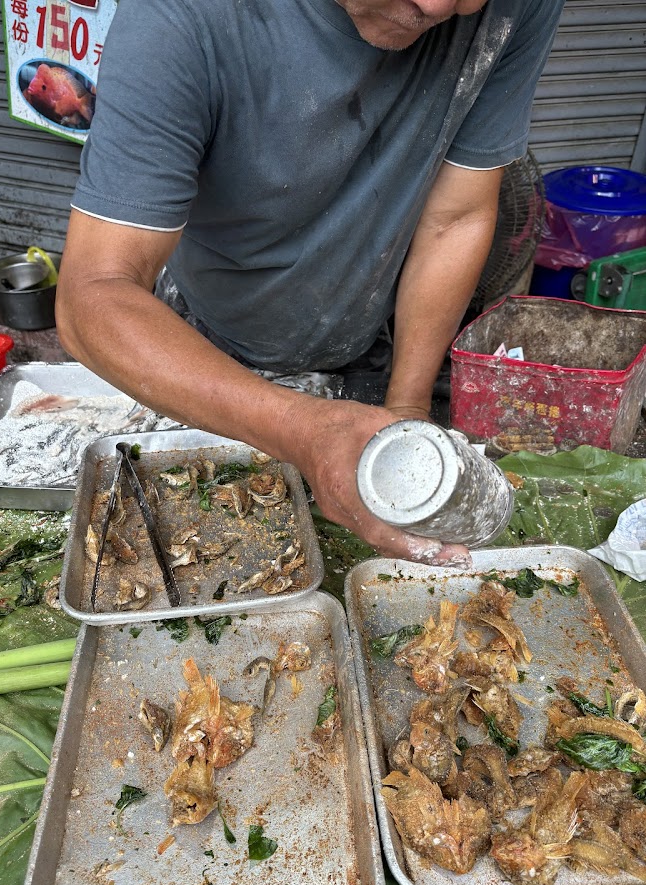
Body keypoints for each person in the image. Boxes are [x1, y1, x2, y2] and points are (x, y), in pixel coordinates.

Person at [56, 0, 565, 565]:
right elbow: (94, 293)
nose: (439, 6)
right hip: (210, 354)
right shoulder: (180, 17)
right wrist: (302, 430)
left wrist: (407, 408)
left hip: (381, 339)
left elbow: (456, 218)